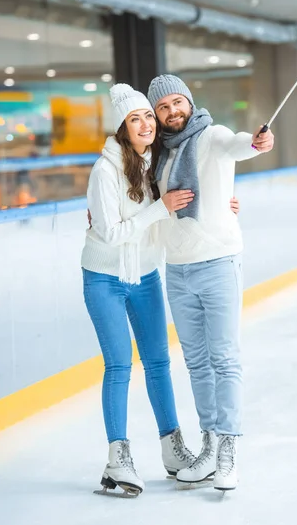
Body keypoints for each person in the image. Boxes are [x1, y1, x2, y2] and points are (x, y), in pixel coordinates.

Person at [82, 83, 240, 496]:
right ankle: (118, 458)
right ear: (122, 127)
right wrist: (160, 207)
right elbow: (113, 233)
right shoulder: (105, 171)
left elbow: (197, 184)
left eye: (148, 116)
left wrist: (224, 202)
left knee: (158, 363)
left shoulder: (156, 161)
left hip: (147, 274)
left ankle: (173, 450)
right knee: (119, 365)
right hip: (105, 278)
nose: (147, 123)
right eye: (136, 118)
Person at [147, 74, 274, 492]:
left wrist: (256, 143)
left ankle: (229, 448)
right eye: (163, 107)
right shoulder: (158, 158)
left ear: (189, 102)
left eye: (177, 103)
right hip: (177, 269)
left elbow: (239, 144)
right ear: (157, 114)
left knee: (224, 358)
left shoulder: (212, 135)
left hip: (218, 261)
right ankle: (211, 441)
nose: (173, 112)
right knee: (197, 363)